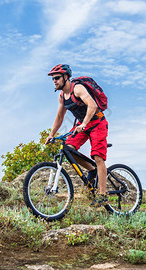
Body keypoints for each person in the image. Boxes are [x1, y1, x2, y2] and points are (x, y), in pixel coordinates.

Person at [45, 64, 109, 207]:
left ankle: (103, 195)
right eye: (53, 79)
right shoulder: (62, 96)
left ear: (65, 77)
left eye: (57, 78)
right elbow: (60, 117)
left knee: (98, 157)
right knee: (69, 149)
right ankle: (92, 170)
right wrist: (51, 134)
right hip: (81, 126)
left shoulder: (77, 88)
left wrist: (84, 124)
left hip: (97, 122)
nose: (54, 81)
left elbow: (92, 106)